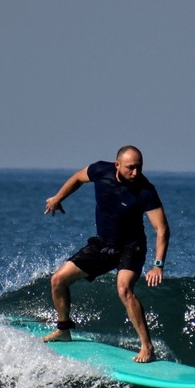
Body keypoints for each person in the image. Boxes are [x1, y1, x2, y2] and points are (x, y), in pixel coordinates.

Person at [42, 145, 170, 363]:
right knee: (58, 280)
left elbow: (162, 229)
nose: (136, 172)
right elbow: (78, 177)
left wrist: (158, 265)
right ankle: (63, 329)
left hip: (131, 247)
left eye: (139, 167)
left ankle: (147, 347)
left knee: (124, 289)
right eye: (131, 167)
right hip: (103, 244)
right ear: (117, 164)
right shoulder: (101, 170)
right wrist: (58, 198)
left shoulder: (145, 190)